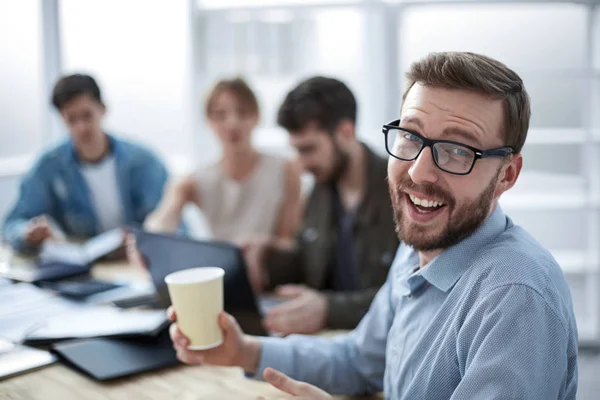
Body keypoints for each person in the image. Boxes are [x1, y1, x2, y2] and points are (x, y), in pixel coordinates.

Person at [169, 52, 578, 399]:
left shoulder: (516, 297)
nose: (419, 171)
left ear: (507, 175)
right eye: (411, 137)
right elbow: (358, 359)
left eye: (457, 150)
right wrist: (244, 351)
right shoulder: (421, 246)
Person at [242, 77, 399, 335]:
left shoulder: (402, 193)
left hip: (379, 347)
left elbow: (409, 296)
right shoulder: (322, 187)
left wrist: (328, 309)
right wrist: (268, 254)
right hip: (328, 341)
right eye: (296, 150)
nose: (301, 164)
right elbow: (309, 263)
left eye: (309, 149)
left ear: (346, 133)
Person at [2, 74, 168, 254]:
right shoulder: (49, 166)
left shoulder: (144, 161)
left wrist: (143, 239)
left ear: (103, 109)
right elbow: (12, 225)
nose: (81, 127)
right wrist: (29, 234)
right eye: (71, 119)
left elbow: (172, 226)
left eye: (87, 115)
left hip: (139, 263)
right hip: (87, 271)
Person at [142, 78, 301, 244]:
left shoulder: (286, 170)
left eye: (242, 112)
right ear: (209, 121)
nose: (232, 123)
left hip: (272, 266)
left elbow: (289, 240)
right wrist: (150, 236)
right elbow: (161, 223)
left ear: (257, 117)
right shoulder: (194, 181)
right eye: (220, 115)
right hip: (222, 267)